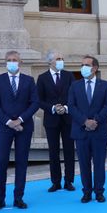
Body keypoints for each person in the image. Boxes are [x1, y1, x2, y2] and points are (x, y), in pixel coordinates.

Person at [0, 50, 39, 210]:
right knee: (0, 162)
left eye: (15, 60)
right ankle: (0, 199)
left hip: (23, 127)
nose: (12, 62)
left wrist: (20, 120)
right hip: (3, 128)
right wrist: (8, 122)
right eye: (9, 60)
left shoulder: (29, 80)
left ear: (20, 63)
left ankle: (18, 198)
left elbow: (34, 103)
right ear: (5, 62)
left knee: (21, 162)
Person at [68, 55, 107, 203]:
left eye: (86, 65)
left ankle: (99, 191)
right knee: (83, 163)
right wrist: (84, 121)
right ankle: (86, 192)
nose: (83, 67)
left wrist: (96, 120)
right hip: (81, 131)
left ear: (95, 68)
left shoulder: (105, 85)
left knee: (99, 163)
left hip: (99, 131)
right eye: (82, 64)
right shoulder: (75, 85)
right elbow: (71, 106)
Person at [37, 51, 76, 193]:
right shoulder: (42, 78)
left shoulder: (69, 75)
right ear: (50, 62)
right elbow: (39, 100)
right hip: (51, 120)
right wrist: (53, 108)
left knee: (69, 151)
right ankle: (56, 182)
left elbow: (74, 95)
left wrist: (65, 107)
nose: (61, 61)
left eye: (62, 58)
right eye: (58, 59)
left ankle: (69, 181)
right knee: (53, 152)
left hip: (67, 119)